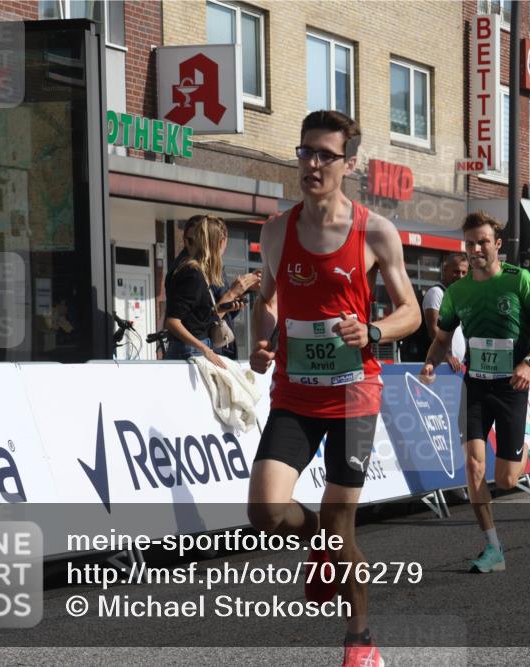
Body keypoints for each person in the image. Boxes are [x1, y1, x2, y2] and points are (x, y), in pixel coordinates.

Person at [247, 110, 420, 667]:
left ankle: (361, 641)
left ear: (349, 164)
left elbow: (412, 313)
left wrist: (371, 330)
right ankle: (317, 540)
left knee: (342, 525)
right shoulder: (277, 230)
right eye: (305, 153)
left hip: (353, 394)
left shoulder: (375, 231)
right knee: (265, 511)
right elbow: (266, 302)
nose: (313, 164)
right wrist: (264, 341)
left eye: (325, 155)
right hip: (295, 393)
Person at [419, 211, 530, 572]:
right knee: (473, 466)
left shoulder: (519, 281)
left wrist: (528, 362)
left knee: (508, 479)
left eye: (482, 241)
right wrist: (432, 362)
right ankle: (493, 547)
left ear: (497, 244)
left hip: (512, 386)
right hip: (476, 386)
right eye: (470, 244)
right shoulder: (457, 292)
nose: (476, 248)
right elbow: (442, 338)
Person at [163, 215, 228, 368]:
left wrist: (227, 307)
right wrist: (204, 349)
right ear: (219, 243)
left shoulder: (197, 272)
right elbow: (172, 322)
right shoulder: (193, 273)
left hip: (192, 349)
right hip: (189, 351)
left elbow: (195, 319)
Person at [205, 216, 262, 360]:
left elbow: (225, 312)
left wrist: (245, 289)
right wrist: (232, 293)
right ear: (223, 241)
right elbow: (201, 319)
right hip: (212, 352)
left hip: (223, 349)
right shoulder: (199, 271)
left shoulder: (217, 269)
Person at [421, 252, 469, 372]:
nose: (460, 276)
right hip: (439, 366)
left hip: (455, 367)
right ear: (445, 269)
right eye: (456, 271)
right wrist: (446, 356)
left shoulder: (456, 297)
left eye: (464, 273)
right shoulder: (436, 293)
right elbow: (433, 330)